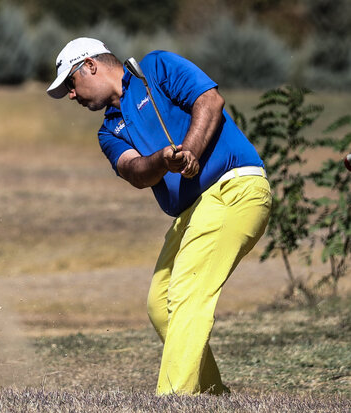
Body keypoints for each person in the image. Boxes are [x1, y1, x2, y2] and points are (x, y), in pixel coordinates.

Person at [46, 37, 272, 396]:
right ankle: (212, 395)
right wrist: (162, 161)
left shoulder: (155, 68)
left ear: (89, 65)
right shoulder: (108, 130)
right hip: (192, 212)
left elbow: (209, 101)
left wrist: (191, 151)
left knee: (186, 290)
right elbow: (135, 171)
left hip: (234, 189)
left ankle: (173, 399)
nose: (72, 96)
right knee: (160, 303)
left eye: (71, 84)